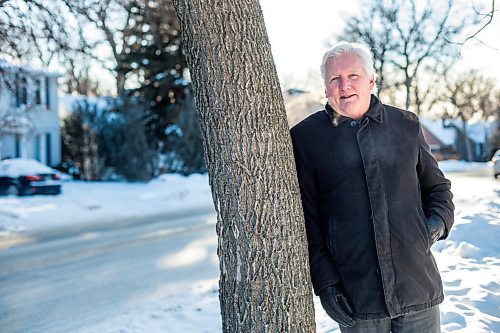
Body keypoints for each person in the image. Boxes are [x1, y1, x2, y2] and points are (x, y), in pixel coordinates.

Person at [290, 41, 454, 333]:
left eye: (353, 76)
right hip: (358, 299)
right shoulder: (305, 139)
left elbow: (438, 190)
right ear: (325, 88)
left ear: (370, 80)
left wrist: (432, 227)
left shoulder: (405, 125)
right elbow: (308, 222)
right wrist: (326, 283)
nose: (344, 86)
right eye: (334, 79)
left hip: (418, 289)